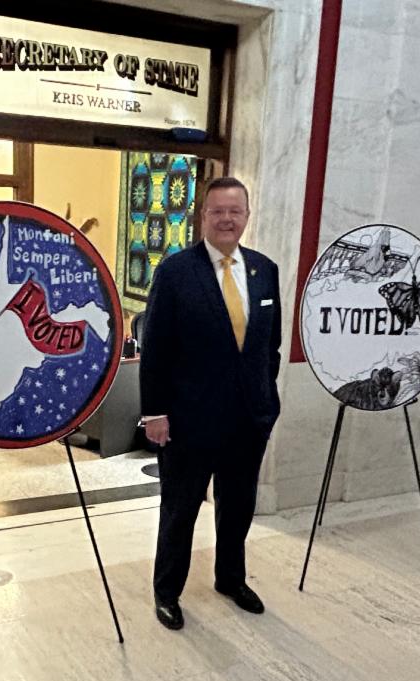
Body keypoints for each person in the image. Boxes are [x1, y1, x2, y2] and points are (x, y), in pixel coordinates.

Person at [139, 176, 282, 630]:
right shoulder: (176, 271)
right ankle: (167, 591)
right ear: (203, 217)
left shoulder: (265, 270)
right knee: (179, 511)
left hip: (248, 420)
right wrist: (155, 413)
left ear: (246, 216)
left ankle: (230, 579)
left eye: (234, 211)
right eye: (217, 211)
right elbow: (156, 348)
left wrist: (265, 400)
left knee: (238, 505)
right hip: (188, 421)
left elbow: (270, 347)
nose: (226, 219)